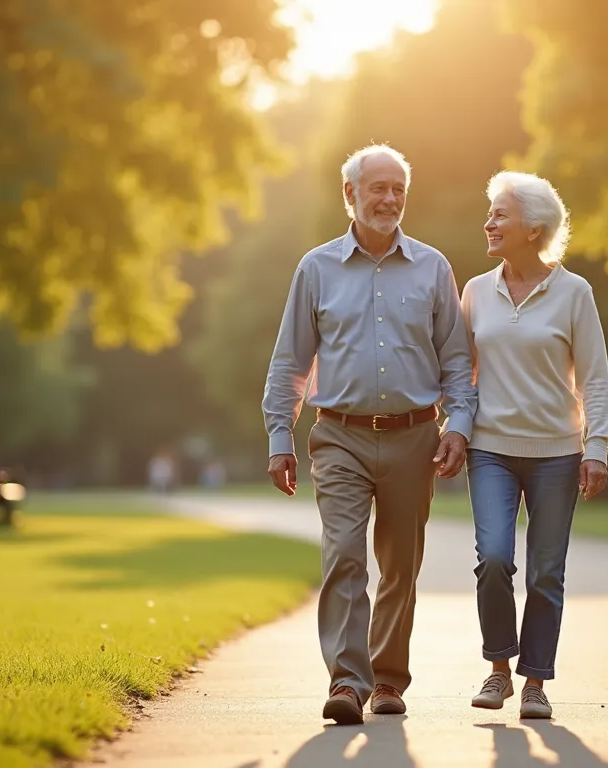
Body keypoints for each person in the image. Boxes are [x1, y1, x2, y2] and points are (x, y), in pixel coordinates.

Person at [262, 144, 477, 725]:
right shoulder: (316, 268)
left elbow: (456, 361)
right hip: (339, 436)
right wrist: (280, 435)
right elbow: (291, 364)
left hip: (414, 437)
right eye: (377, 188)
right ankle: (348, 682)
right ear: (349, 195)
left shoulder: (433, 268)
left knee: (401, 564)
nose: (388, 199)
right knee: (343, 555)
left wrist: (458, 425)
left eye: (397, 190)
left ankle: (387, 680)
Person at [460, 171, 608, 719]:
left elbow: (593, 377)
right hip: (491, 450)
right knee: (495, 558)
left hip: (557, 452)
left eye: (500, 213)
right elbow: (461, 372)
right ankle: (499, 669)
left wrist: (595, 446)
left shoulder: (575, 293)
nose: (490, 222)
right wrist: (453, 429)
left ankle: (535, 682)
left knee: (547, 570)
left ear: (534, 226)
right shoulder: (476, 292)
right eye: (491, 212)